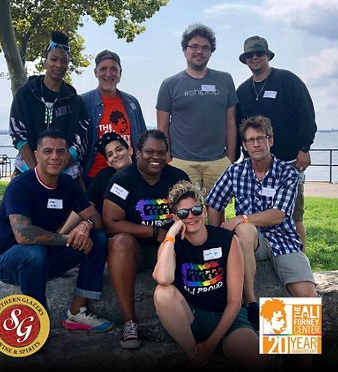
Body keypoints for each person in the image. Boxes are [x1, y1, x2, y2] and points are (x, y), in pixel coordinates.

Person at [206, 116, 318, 366]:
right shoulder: (235, 171)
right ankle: (251, 303)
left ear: (271, 140)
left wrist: (240, 218)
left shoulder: (288, 173)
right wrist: (218, 238)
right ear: (244, 146)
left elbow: (278, 215)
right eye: (250, 140)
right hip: (251, 241)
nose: (256, 144)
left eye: (260, 138)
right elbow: (213, 202)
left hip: (284, 240)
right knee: (245, 231)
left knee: (308, 295)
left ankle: (303, 362)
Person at [0, 129, 113, 332]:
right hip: (8, 261)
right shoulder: (20, 186)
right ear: (37, 155)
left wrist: (86, 225)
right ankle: (37, 325)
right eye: (48, 151)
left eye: (60, 151)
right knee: (33, 252)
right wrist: (66, 239)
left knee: (97, 238)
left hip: (46, 258)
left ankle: (77, 312)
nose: (55, 157)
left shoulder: (67, 184)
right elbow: (23, 235)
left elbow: (96, 219)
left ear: (66, 155)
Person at [153, 181, 266, 369]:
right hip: (193, 318)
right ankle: (195, 356)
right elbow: (163, 279)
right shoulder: (172, 244)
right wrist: (171, 235)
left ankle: (208, 351)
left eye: (196, 210)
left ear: (204, 211)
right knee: (162, 292)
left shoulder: (226, 239)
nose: (191, 216)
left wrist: (211, 343)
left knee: (257, 358)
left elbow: (234, 301)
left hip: (228, 319)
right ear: (176, 218)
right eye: (183, 214)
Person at [102, 129, 190, 349]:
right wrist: (153, 233)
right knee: (119, 241)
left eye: (162, 152)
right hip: (138, 249)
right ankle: (130, 323)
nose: (156, 157)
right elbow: (111, 222)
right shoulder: (122, 179)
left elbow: (192, 213)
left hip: (172, 247)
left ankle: (196, 316)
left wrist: (169, 237)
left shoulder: (178, 177)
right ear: (137, 152)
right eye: (149, 151)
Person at [236, 35, 317, 250]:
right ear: (244, 59)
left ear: (267, 55)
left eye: (259, 53)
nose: (254, 58)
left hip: (289, 160)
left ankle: (299, 258)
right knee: (258, 216)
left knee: (294, 215)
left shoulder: (288, 80)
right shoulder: (242, 91)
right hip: (256, 166)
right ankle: (263, 258)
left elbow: (306, 114)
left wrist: (305, 148)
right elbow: (238, 127)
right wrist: (237, 156)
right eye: (249, 55)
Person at [156, 23, 237, 194]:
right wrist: (169, 159)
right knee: (185, 210)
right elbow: (162, 127)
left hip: (217, 160)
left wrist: (229, 157)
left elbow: (230, 121)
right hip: (181, 161)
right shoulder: (169, 84)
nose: (199, 51)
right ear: (185, 50)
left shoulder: (225, 80)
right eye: (194, 46)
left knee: (216, 211)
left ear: (211, 52)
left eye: (205, 47)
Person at [9, 30, 88, 187]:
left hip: (66, 174)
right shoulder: (25, 94)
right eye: (54, 59)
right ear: (45, 61)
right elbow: (17, 134)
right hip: (27, 170)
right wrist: (38, 172)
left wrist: (56, 167)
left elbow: (81, 140)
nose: (59, 65)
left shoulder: (75, 101)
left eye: (64, 61)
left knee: (75, 211)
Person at [81, 49, 147, 184]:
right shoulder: (83, 102)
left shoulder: (131, 103)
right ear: (95, 72)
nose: (108, 74)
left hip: (128, 177)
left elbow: (143, 140)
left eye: (113, 69)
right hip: (93, 178)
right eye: (103, 69)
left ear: (120, 73)